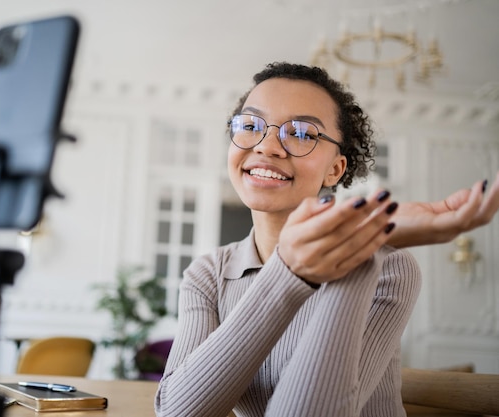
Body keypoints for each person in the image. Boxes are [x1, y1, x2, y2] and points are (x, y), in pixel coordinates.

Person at [154, 62, 499, 417]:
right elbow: (178, 413)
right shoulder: (208, 274)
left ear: (335, 169)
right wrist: (291, 272)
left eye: (302, 133)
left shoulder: (391, 267)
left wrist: (359, 251)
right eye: (251, 125)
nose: (268, 146)